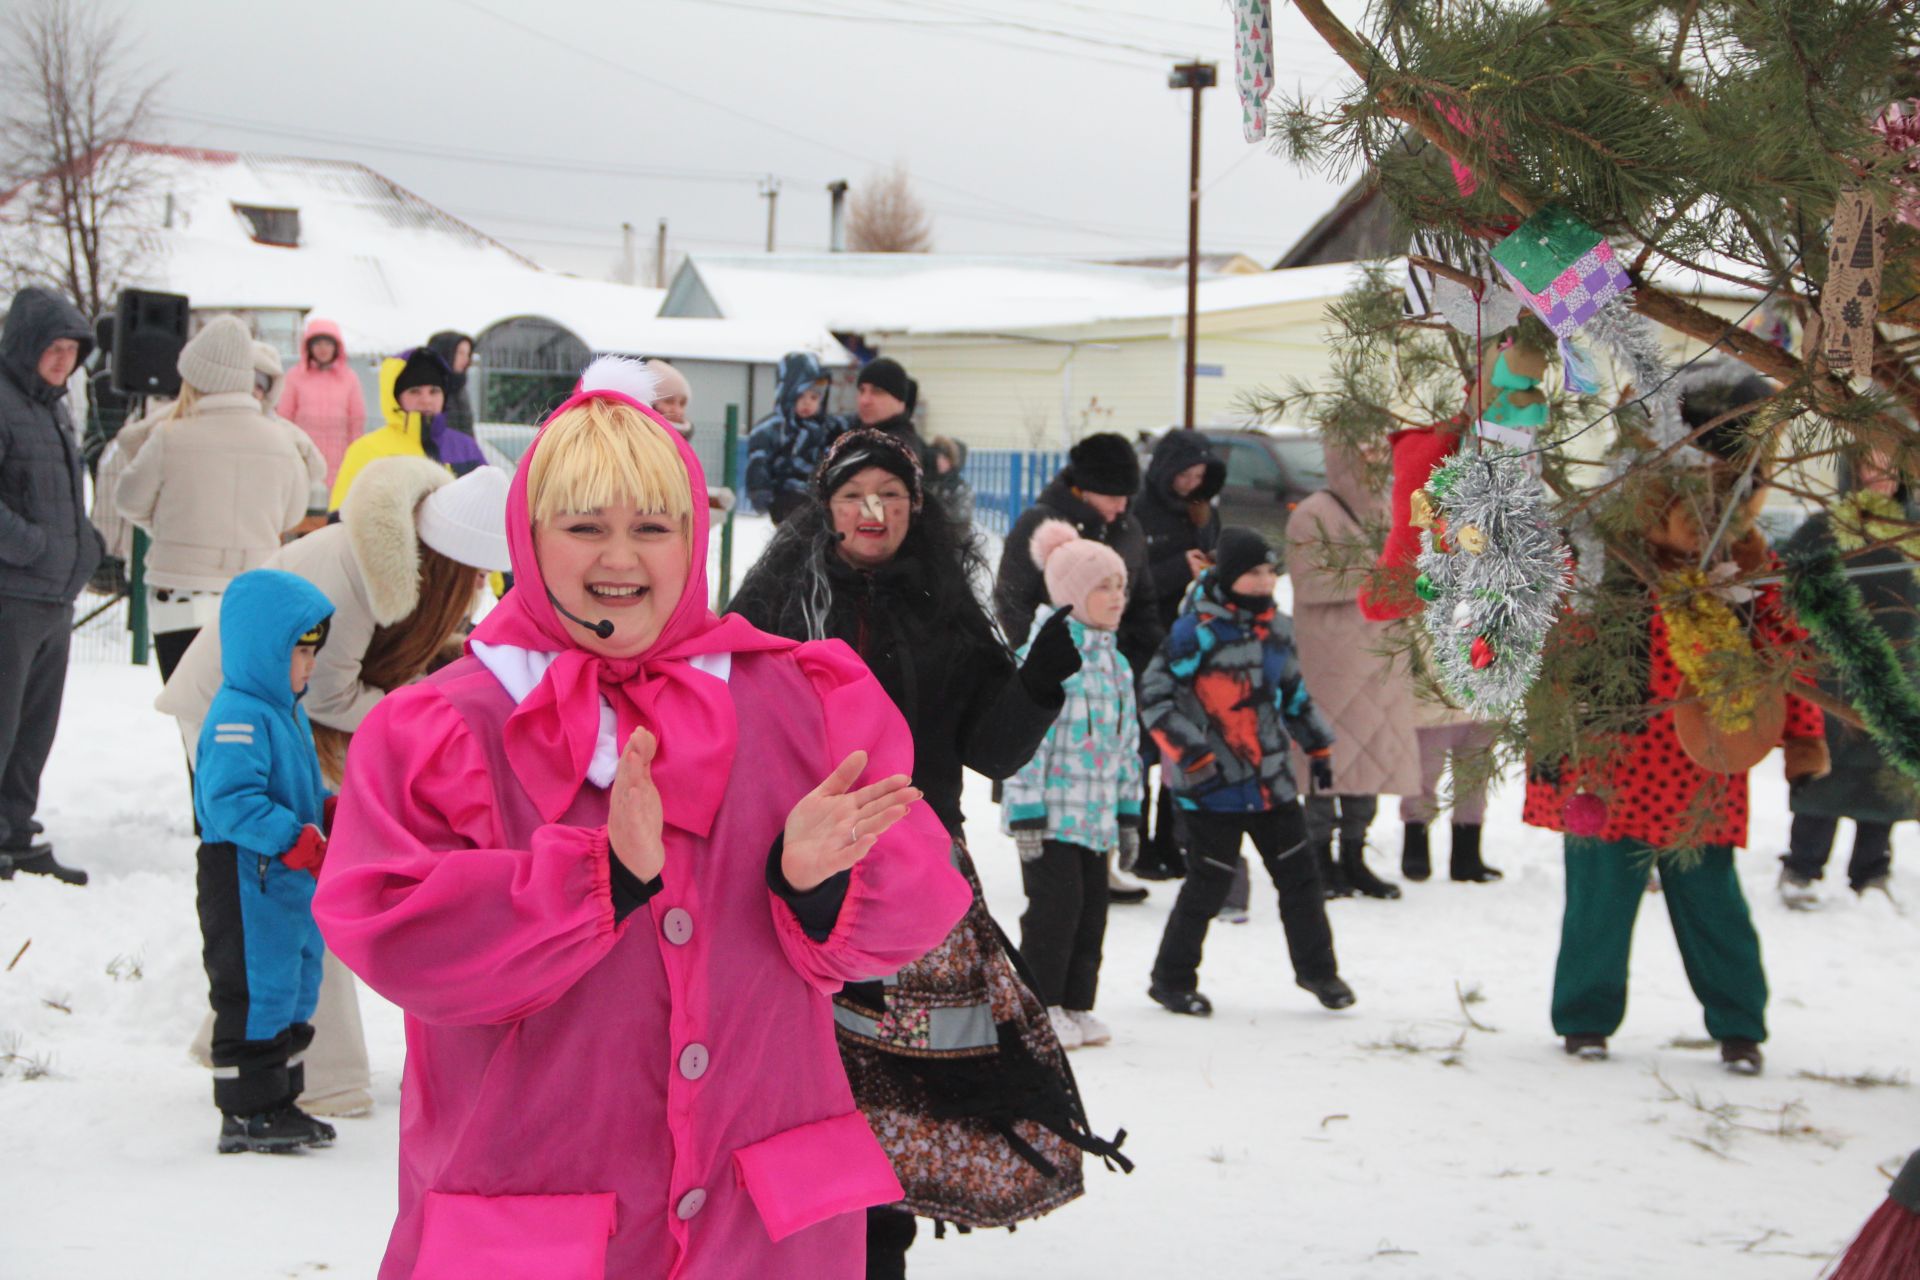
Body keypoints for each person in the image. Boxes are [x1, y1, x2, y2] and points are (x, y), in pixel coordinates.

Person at [314, 358, 971, 1276]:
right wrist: (595, 881)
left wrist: (811, 888)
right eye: (583, 527)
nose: (619, 560)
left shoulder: (802, 699)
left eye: (652, 528)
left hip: (760, 1221)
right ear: (530, 540)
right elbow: (394, 930)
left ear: (692, 540)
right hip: (538, 1216)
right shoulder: (445, 727)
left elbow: (917, 895)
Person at [729, 429, 1126, 1279]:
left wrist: (1037, 684)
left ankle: (878, 1254)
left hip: (912, 884)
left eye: (894, 498)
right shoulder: (773, 603)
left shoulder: (945, 606)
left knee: (894, 1098)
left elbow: (991, 748)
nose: (874, 513)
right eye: (854, 496)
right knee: (804, 1082)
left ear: (919, 510)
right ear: (825, 508)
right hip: (788, 877)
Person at [159, 457, 511, 1118]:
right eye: (477, 582)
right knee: (304, 891)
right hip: (236, 718)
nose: (479, 597)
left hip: (291, 723)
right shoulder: (353, 576)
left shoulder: (394, 563)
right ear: (450, 566)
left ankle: (241, 1045)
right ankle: (324, 1078)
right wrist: (426, 703)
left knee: (291, 897)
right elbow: (328, 688)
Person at [1522, 364, 1828, 1074]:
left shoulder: (1745, 564)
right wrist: (1550, 736)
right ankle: (1585, 1019)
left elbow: (1786, 654)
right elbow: (1559, 647)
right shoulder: (1605, 553)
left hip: (1702, 752)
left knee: (1710, 895)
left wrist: (1803, 739)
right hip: (1610, 751)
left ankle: (1739, 1024)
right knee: (1599, 892)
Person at [1142, 528, 1356, 1016]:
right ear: (1229, 576)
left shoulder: (1277, 628)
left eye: (1269, 572)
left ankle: (1319, 973)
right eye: (1253, 573)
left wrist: (1319, 746)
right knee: (1208, 884)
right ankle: (1170, 980)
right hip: (1212, 785)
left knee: (1301, 878)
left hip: (1271, 780)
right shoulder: (1194, 631)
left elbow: (1293, 694)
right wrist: (1193, 757)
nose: (1264, 581)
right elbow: (1154, 699)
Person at [193, 568, 337, 1153]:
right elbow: (229, 802)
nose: (309, 667)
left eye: (313, 654)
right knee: (255, 989)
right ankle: (247, 1112)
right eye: (299, 654)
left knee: (296, 979)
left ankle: (281, 1099)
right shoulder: (238, 714)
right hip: (246, 877)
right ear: (264, 648)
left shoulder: (285, 711)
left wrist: (326, 810)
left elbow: (292, 786)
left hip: (285, 878)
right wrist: (291, 836)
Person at [1001, 520, 1140, 1051]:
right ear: (1070, 595)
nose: (1116, 598)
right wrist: (1026, 812)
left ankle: (1077, 1004)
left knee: (1090, 913)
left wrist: (1129, 813)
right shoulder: (1047, 658)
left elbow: (1129, 746)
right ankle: (1042, 1006)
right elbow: (1024, 744)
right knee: (1053, 914)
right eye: (1102, 587)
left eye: (1120, 586)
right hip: (1052, 814)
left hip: (1097, 815)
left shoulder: (1117, 663)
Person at [115, 316, 311, 681]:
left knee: (187, 708)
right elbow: (291, 515)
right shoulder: (282, 442)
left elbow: (128, 500)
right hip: (251, 589)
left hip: (178, 590)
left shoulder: (170, 436)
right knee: (237, 704)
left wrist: (165, 525)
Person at [1283, 439, 1421, 900]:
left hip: (1380, 656)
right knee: (1325, 760)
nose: (1377, 461)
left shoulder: (1388, 507)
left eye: (1382, 452)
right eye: (1365, 452)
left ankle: (1355, 856)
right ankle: (1318, 857)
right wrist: (1380, 574)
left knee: (1370, 760)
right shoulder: (1312, 513)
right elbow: (1311, 580)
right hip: (1330, 660)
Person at [1778, 447, 1915, 905]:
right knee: (1825, 774)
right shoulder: (1824, 529)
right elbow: (1785, 584)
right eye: (1871, 464)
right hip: (1833, 673)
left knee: (1883, 775)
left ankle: (1871, 872)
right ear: (1851, 470)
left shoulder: (1913, 529)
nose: (1882, 476)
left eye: (1892, 465)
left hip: (1900, 674)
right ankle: (1802, 867)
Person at [0, 285, 102, 885]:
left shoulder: (53, 406)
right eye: (52, 348)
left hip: (54, 596)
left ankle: (15, 828)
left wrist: (83, 546)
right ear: (23, 346)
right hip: (11, 595)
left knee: (35, 726)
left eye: (71, 349)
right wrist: (34, 548)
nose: (63, 360)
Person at [994, 431, 1162, 683]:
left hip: (1115, 675)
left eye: (1127, 497)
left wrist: (1132, 664)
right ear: (1085, 490)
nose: (1122, 507)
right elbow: (1012, 600)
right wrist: (1043, 659)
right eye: (1113, 497)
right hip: (1056, 674)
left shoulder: (1129, 529)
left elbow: (1143, 605)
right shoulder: (1040, 524)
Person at [1132, 429, 1225, 881]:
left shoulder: (1205, 511)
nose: (1191, 483)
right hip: (1143, 642)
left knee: (1180, 742)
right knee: (1143, 749)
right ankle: (1140, 844)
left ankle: (1172, 838)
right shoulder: (1138, 510)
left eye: (1200, 475)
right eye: (1185, 474)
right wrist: (1176, 570)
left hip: (1191, 642)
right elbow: (1126, 577)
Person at [329, 345, 488, 509]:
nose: (426, 400)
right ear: (395, 398)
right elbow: (340, 518)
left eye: (434, 391)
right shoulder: (367, 450)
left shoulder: (466, 447)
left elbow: (490, 507)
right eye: (414, 391)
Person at [745, 350, 834, 523]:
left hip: (818, 501)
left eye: (814, 397)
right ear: (786, 395)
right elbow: (758, 462)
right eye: (800, 396)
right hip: (784, 498)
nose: (807, 402)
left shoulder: (824, 429)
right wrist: (761, 492)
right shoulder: (772, 429)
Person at [252, 341, 332, 527]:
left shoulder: (284, 430)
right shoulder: (281, 428)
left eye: (260, 386)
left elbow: (317, 468)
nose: (253, 392)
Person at [276, 318, 365, 484]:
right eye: (317, 343)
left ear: (336, 347)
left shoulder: (349, 378)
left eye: (328, 343)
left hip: (339, 459)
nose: (323, 349)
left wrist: (355, 455)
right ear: (309, 347)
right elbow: (284, 417)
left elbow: (356, 421)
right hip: (303, 456)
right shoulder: (295, 377)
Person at [643, 357, 735, 513]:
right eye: (669, 401)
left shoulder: (682, 448)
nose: (678, 410)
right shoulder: (637, 445)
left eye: (682, 403)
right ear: (649, 402)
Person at [852, 357, 936, 477]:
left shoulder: (896, 449)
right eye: (862, 390)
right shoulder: (855, 437)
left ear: (900, 401)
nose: (865, 400)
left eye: (877, 391)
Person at [425, 330, 476, 438]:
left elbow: (468, 431)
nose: (466, 359)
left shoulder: (460, 387)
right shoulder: (425, 388)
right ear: (445, 353)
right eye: (460, 353)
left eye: (468, 354)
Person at [927, 434, 973, 527]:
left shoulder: (959, 488)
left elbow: (959, 520)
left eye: (944, 458)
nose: (939, 461)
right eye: (937, 457)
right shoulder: (929, 483)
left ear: (952, 460)